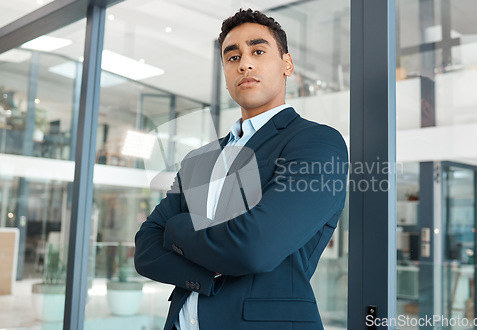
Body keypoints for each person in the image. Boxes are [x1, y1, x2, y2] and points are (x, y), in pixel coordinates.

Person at [134, 8, 348, 330]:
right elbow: (146, 249)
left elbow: (254, 247)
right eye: (232, 58)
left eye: (258, 51)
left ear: (287, 64)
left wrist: (176, 229)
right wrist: (211, 270)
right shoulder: (199, 158)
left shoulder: (317, 143)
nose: (244, 63)